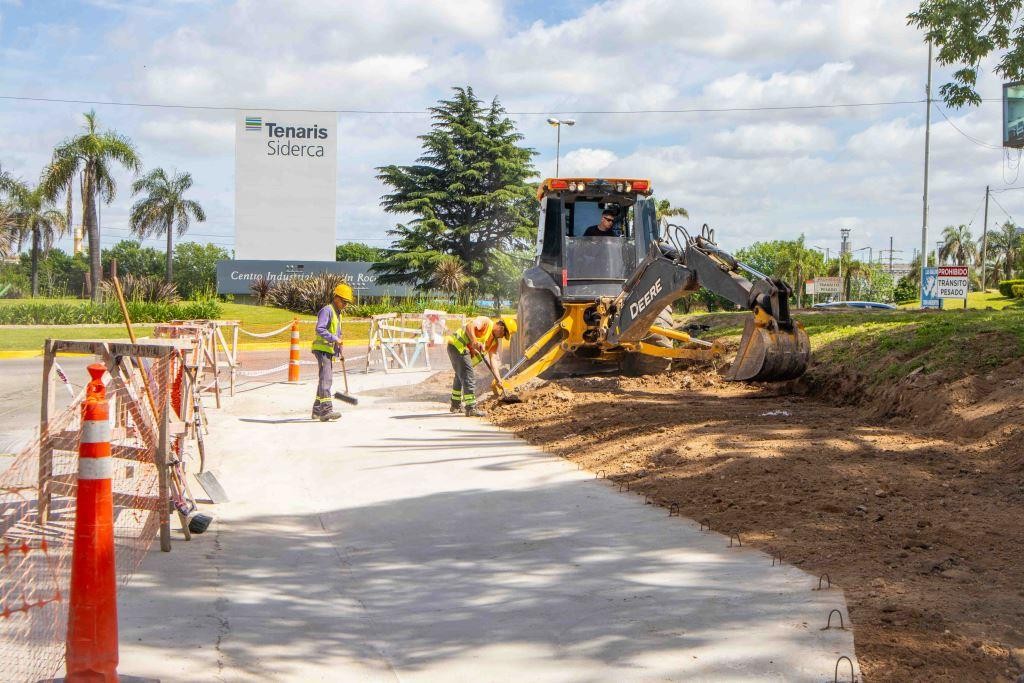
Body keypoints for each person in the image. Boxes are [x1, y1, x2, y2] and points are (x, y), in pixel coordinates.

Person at [447, 315, 517, 416]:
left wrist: (498, 379)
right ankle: (471, 408)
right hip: (457, 346)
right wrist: (474, 340)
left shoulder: (494, 342)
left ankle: (455, 405)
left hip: (459, 349)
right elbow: (469, 326)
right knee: (468, 376)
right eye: (503, 334)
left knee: (460, 376)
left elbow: (493, 361)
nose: (502, 337)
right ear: (501, 328)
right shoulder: (486, 322)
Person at [310, 283, 353, 421]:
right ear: (336, 298)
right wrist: (335, 338)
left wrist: (339, 348)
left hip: (328, 351)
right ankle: (326, 411)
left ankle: (317, 410)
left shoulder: (337, 314)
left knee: (324, 379)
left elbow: (337, 334)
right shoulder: (327, 310)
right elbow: (320, 329)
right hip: (322, 350)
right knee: (326, 379)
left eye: (347, 302)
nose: (345, 305)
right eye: (344, 302)